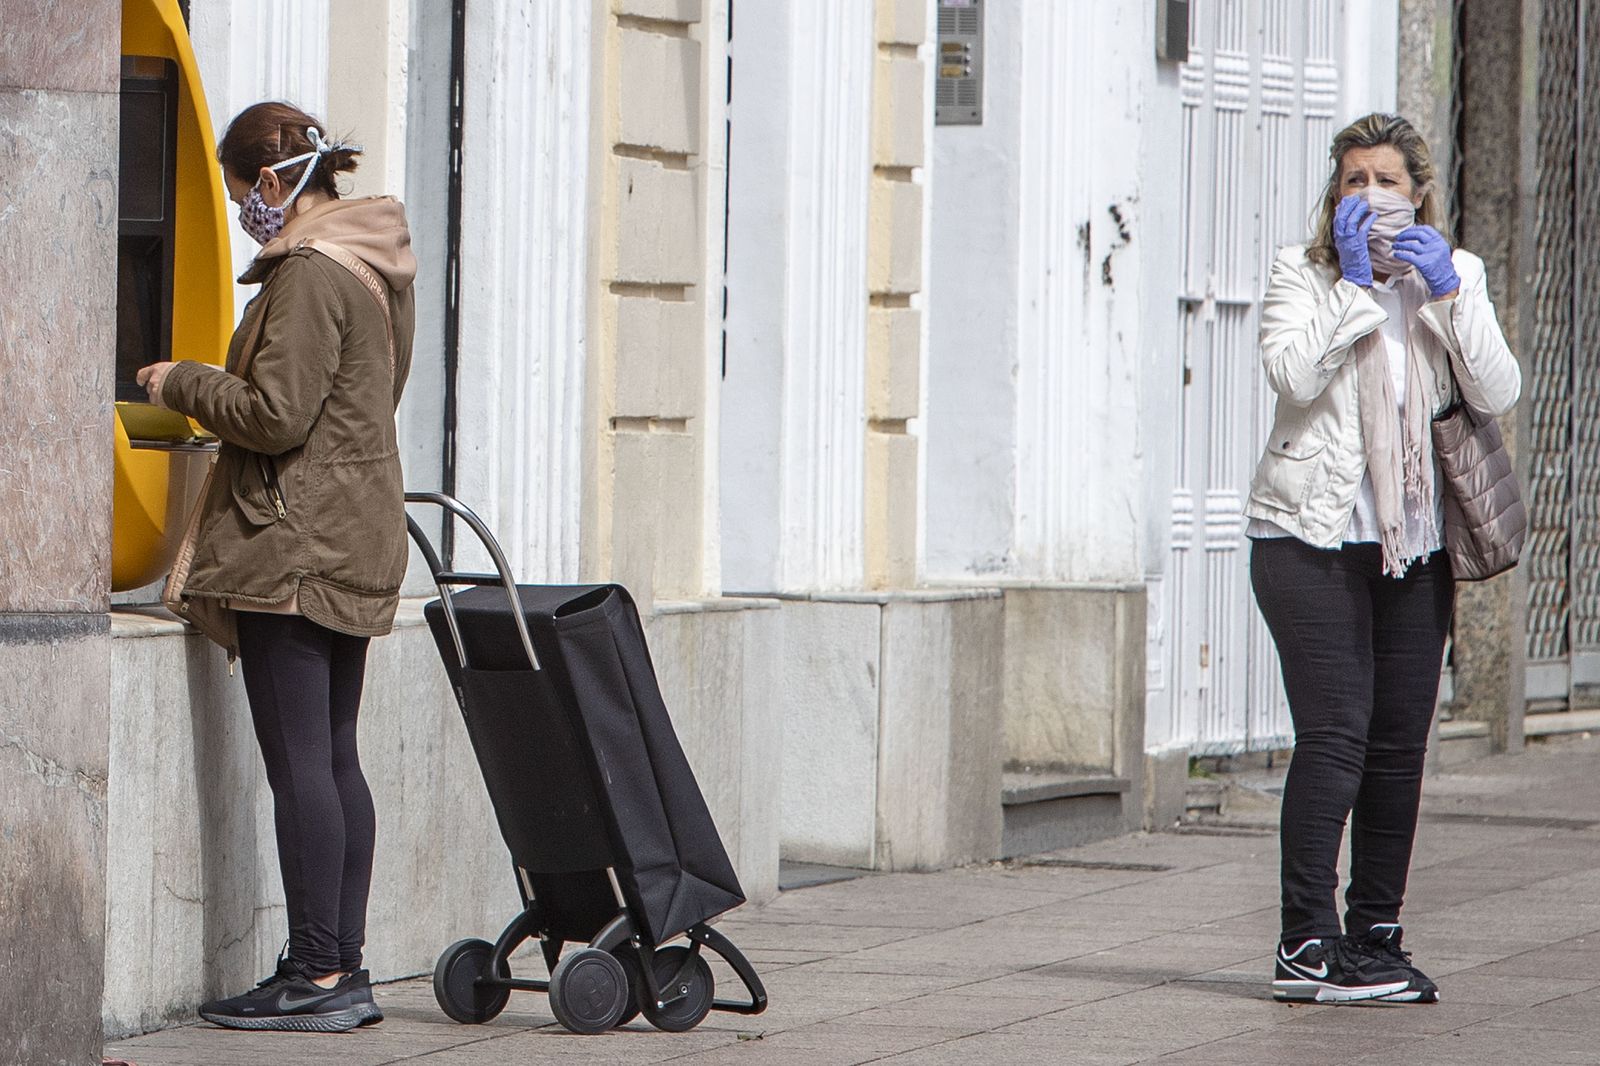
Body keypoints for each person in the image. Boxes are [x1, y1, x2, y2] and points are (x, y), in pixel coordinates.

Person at [136, 100, 417, 1032]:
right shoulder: (374, 267)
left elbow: (275, 416)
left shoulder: (304, 276)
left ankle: (318, 977)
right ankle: (344, 968)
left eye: (237, 193)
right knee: (334, 757)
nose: (240, 213)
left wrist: (181, 380)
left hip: (293, 546)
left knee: (303, 765)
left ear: (268, 182)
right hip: (355, 530)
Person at [1244, 113, 1521, 1004]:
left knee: (1399, 747)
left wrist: (1445, 295)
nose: (1371, 197)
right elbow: (1292, 378)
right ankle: (1304, 942)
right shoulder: (1304, 272)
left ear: (1418, 192)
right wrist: (1355, 287)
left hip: (1416, 548)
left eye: (1387, 181)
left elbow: (1497, 389)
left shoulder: (1457, 273)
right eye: (1353, 182)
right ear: (1335, 197)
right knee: (1335, 737)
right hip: (1308, 540)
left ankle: (1376, 936)